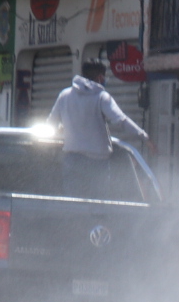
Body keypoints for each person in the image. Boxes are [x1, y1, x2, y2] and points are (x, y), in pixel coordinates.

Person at [47, 57, 146, 199]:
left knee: (73, 204)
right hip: (97, 163)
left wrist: (63, 130)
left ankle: (74, 221)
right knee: (97, 205)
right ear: (100, 77)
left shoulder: (65, 95)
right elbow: (121, 120)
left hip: (72, 160)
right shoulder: (101, 97)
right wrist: (143, 136)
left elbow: (50, 124)